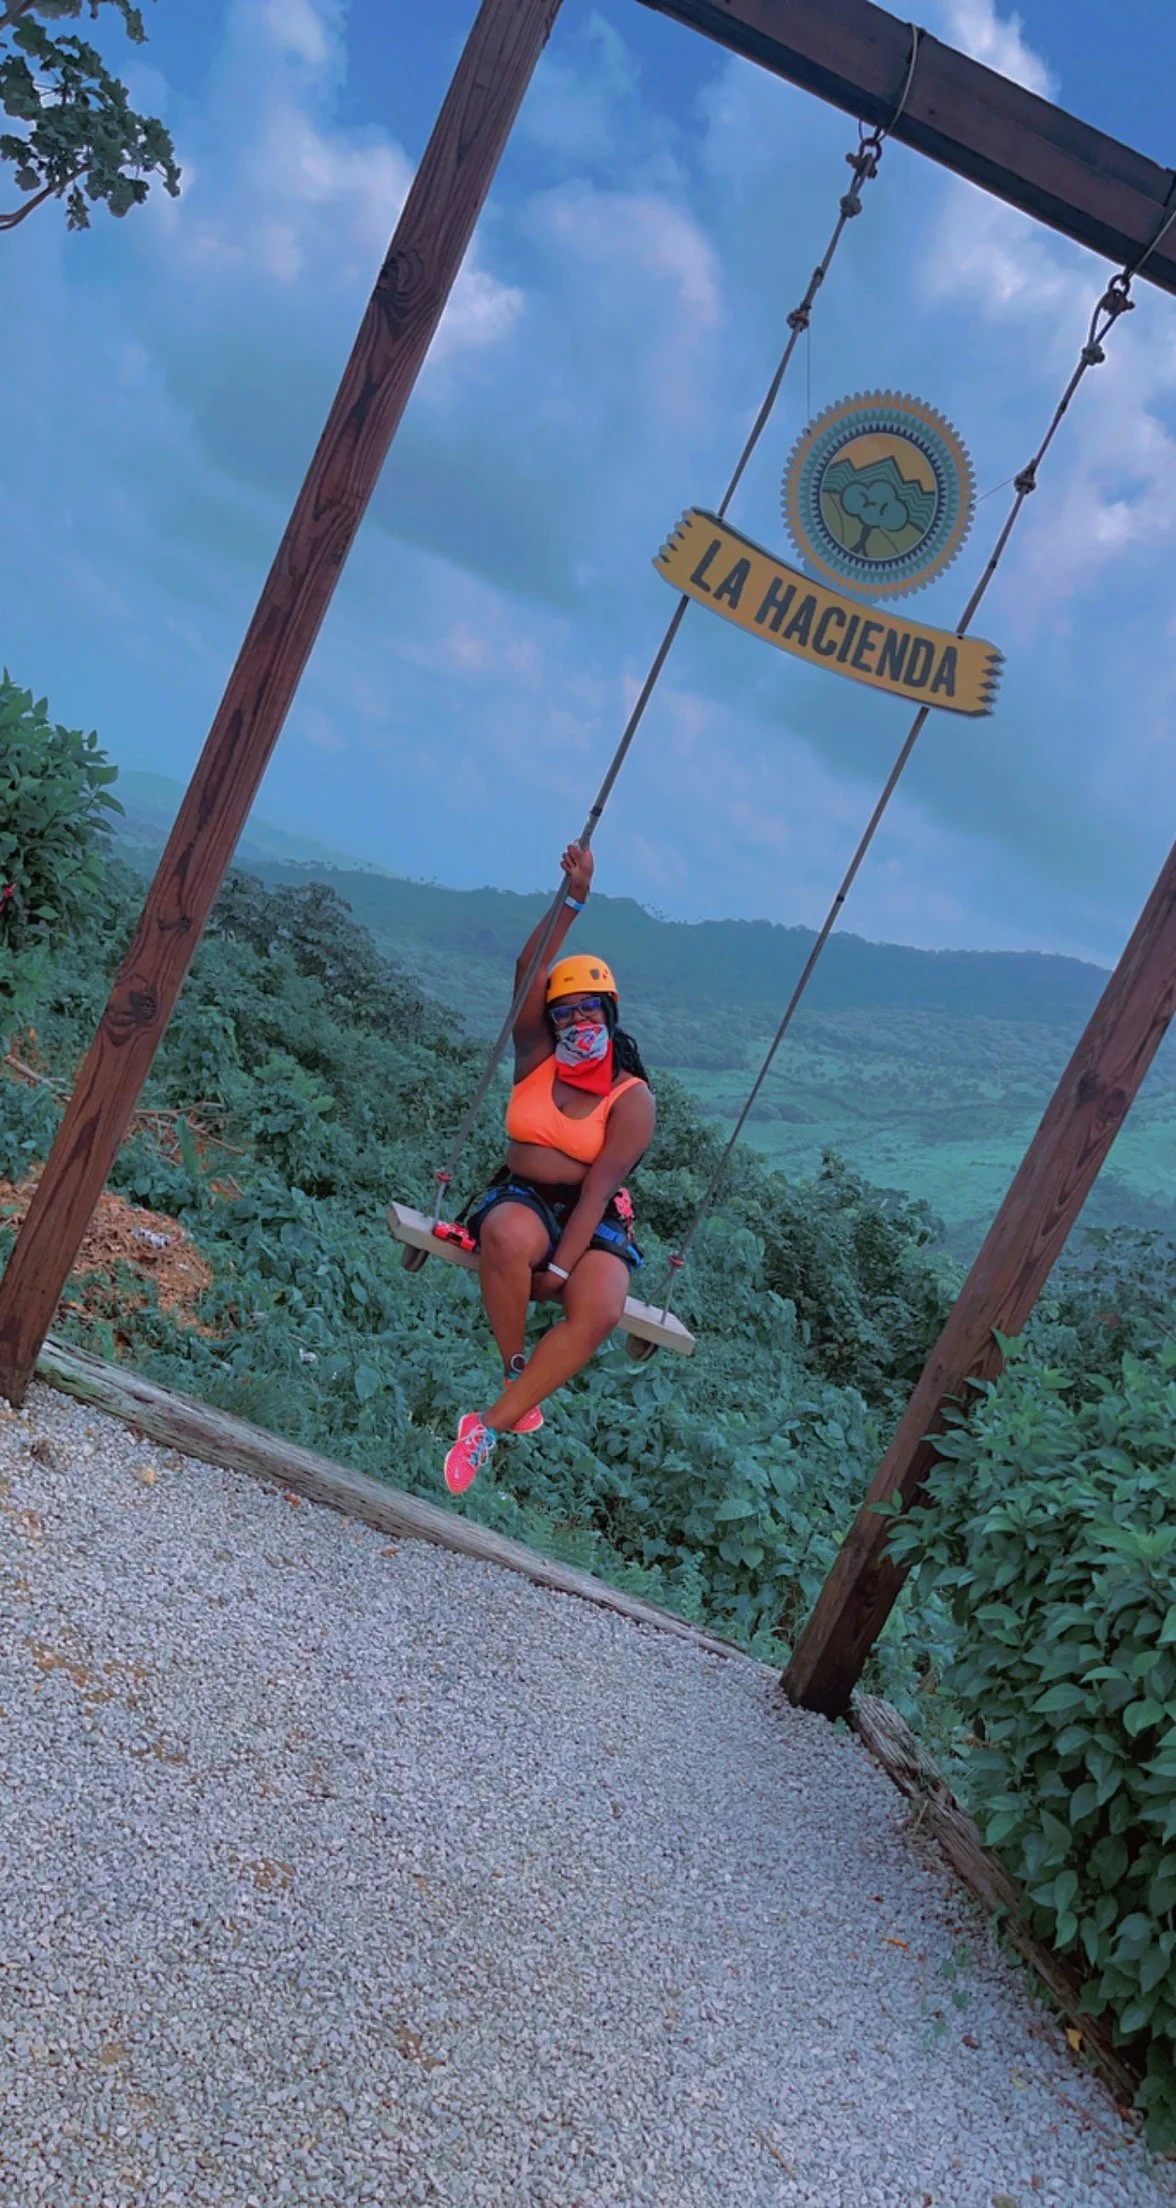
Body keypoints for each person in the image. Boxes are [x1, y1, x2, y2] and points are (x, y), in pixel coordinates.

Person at [442, 842, 655, 1496]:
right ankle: (515, 1370)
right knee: (506, 1237)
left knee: (600, 1307)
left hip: (592, 1214)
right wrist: (572, 902)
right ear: (551, 1021)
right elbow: (528, 968)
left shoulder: (631, 1098)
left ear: (609, 1015)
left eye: (590, 1010)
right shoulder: (536, 1055)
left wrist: (561, 1270)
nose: (578, 1021)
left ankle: (486, 1426)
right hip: (525, 1196)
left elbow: (598, 1188)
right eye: (566, 1012)